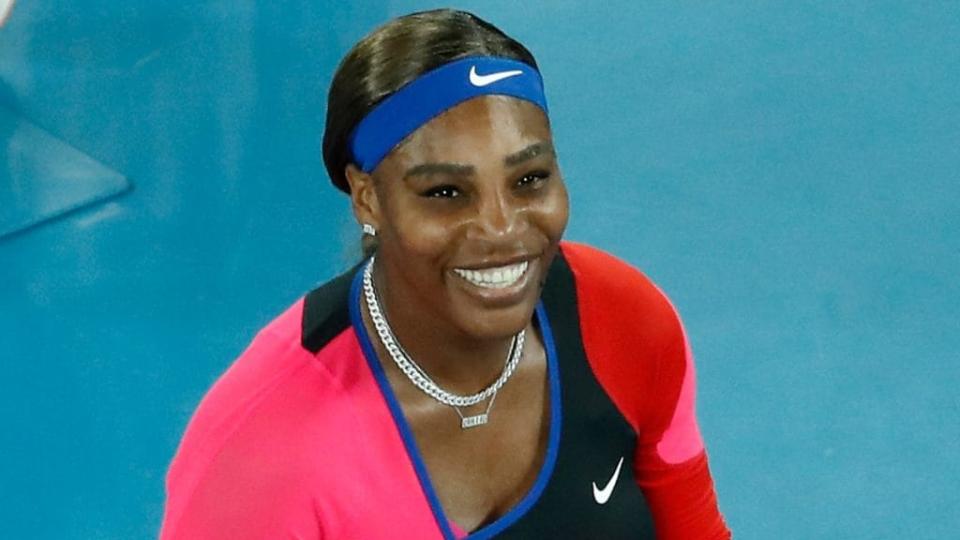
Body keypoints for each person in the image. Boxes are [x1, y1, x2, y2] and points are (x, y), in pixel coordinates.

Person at [160, 9, 731, 539]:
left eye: (529, 179)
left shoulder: (624, 319)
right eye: (445, 192)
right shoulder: (263, 445)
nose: (503, 229)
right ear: (368, 199)